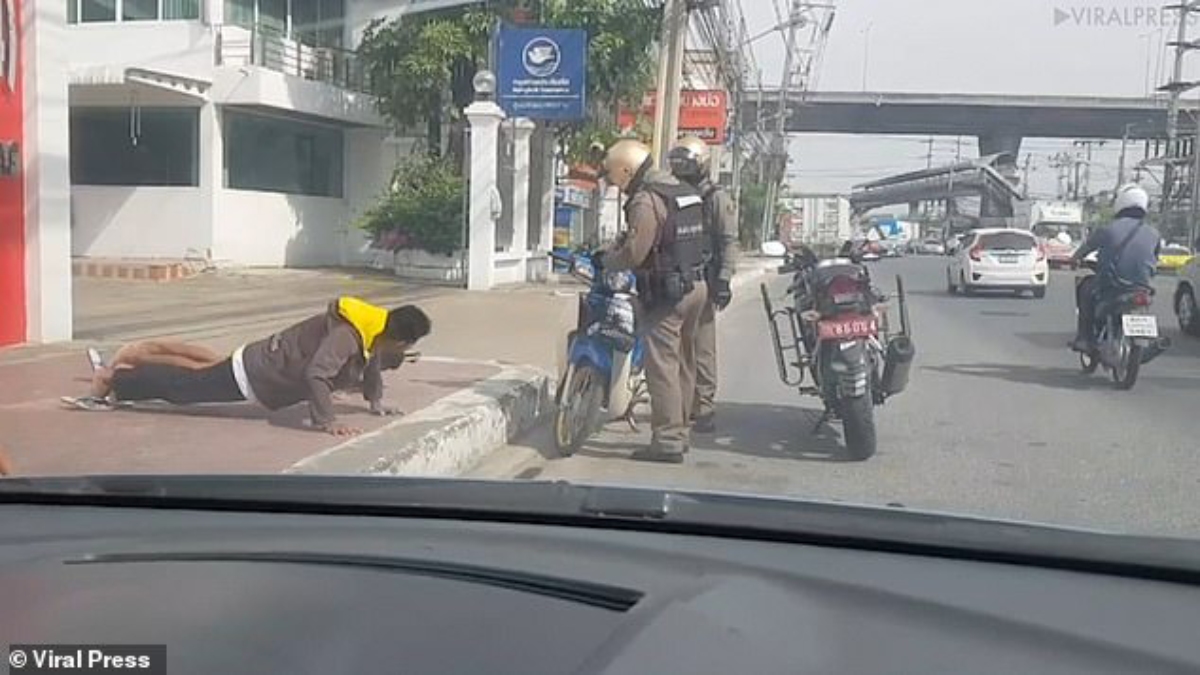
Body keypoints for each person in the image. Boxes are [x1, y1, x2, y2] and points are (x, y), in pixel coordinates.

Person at [81, 298, 431, 436]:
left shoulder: (371, 331)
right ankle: (112, 379)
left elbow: (371, 365)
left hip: (261, 362)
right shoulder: (348, 336)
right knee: (183, 389)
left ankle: (130, 361)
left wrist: (375, 401)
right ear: (400, 339)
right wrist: (328, 421)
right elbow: (317, 374)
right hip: (255, 373)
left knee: (194, 373)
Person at [599, 139, 708, 463]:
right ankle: (682, 432)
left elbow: (636, 251)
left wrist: (608, 260)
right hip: (696, 284)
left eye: (614, 174)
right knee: (685, 364)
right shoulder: (681, 190)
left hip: (667, 292)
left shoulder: (646, 199)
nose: (614, 181)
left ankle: (668, 442)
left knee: (662, 367)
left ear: (626, 170)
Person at [667, 135, 739, 434]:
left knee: (702, 344)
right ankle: (680, 403)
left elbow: (728, 241)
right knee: (677, 344)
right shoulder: (672, 194)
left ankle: (704, 405)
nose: (681, 169)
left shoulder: (716, 198)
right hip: (674, 275)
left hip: (705, 279)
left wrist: (723, 279)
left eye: (687, 163)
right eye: (677, 163)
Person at [1070, 183, 1161, 352]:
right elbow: (1155, 259)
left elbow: (1085, 249)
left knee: (1085, 287)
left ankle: (1084, 337)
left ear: (1121, 203)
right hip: (1143, 287)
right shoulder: (1154, 233)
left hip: (1112, 285)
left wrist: (1075, 259)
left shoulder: (1107, 229)